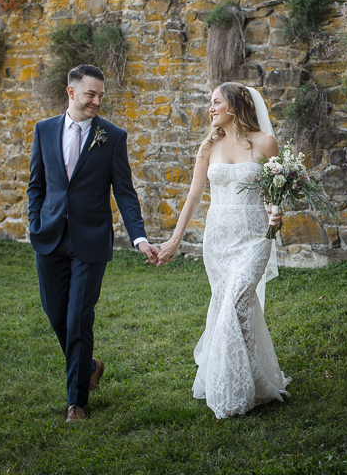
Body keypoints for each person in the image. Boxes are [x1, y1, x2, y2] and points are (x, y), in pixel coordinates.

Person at [27, 64, 160, 423]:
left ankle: (76, 403)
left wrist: (140, 238)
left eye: (101, 95)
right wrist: (34, 222)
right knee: (57, 315)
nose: (97, 101)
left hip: (91, 243)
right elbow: (36, 186)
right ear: (71, 92)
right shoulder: (44, 130)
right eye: (91, 94)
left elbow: (126, 193)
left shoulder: (112, 137)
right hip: (49, 239)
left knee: (78, 318)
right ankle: (89, 366)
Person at [155, 81, 290, 418]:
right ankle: (248, 381)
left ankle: (234, 389)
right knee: (232, 307)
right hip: (218, 241)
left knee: (237, 301)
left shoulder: (266, 143)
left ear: (234, 105)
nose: (210, 109)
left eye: (216, 102)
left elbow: (276, 194)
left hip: (254, 238)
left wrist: (277, 213)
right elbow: (194, 196)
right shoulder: (208, 146)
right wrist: (174, 239)